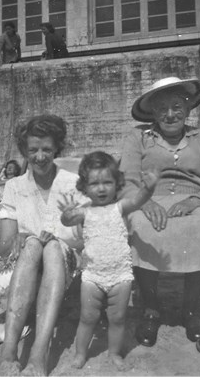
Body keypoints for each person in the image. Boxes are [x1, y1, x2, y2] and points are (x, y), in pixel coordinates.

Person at [119, 76, 200, 347]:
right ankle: (151, 308)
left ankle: (190, 310)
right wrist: (145, 202)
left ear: (189, 108)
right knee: (143, 226)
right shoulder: (138, 136)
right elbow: (126, 179)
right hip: (148, 199)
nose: (170, 114)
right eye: (162, 108)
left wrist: (196, 200)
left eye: (177, 107)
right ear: (153, 112)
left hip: (193, 202)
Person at [0, 114, 88, 377]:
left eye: (47, 149)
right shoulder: (14, 186)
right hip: (26, 264)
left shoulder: (73, 183)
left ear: (57, 148)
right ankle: (8, 353)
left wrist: (56, 237)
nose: (40, 156)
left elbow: (82, 240)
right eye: (33, 150)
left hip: (63, 262)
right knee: (32, 243)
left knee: (53, 247)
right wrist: (20, 238)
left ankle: (38, 354)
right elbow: (5, 248)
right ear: (24, 151)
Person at [59, 151, 159, 370]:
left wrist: (148, 188)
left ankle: (114, 353)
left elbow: (137, 200)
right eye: (94, 183)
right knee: (87, 317)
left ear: (117, 184)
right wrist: (66, 213)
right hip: (93, 276)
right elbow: (67, 221)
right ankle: (80, 353)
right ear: (84, 188)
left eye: (107, 182)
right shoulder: (85, 212)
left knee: (118, 318)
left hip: (120, 275)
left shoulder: (120, 207)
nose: (101, 188)